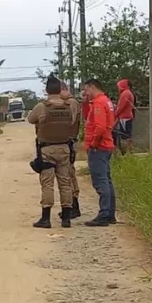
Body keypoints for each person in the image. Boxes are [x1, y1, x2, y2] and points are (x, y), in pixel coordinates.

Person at [27, 76, 74, 228]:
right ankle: (66, 218)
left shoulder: (42, 107)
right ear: (60, 90)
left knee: (47, 184)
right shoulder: (68, 106)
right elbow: (72, 123)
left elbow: (30, 119)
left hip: (47, 150)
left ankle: (45, 219)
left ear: (46, 90)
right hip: (65, 148)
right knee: (65, 183)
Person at [82, 78, 117, 227]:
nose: (85, 93)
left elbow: (100, 127)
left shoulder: (98, 103)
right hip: (107, 145)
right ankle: (109, 214)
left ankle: (104, 214)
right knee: (106, 180)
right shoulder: (106, 101)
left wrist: (94, 144)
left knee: (100, 180)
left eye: (86, 89)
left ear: (92, 87)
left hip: (99, 147)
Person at [59, 82, 82, 219]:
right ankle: (72, 205)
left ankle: (74, 205)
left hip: (70, 142)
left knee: (69, 174)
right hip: (68, 142)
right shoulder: (69, 102)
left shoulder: (71, 103)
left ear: (63, 89)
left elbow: (71, 121)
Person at [114, 79, 135, 154]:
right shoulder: (129, 93)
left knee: (125, 136)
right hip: (127, 116)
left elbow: (121, 106)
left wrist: (115, 114)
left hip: (124, 118)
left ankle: (126, 152)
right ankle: (128, 152)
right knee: (128, 135)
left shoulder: (125, 93)